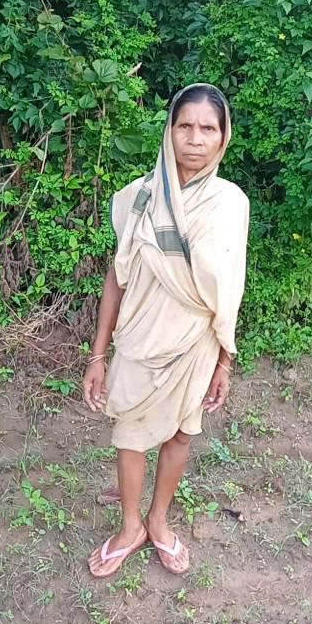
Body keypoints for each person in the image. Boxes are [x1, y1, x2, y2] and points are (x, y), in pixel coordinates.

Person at [82, 83, 250, 577]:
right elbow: (117, 275)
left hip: (195, 343)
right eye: (185, 126)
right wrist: (97, 355)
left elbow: (230, 287)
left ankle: (158, 520)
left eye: (208, 129)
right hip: (140, 338)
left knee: (180, 432)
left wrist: (224, 361)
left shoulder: (230, 203)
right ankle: (129, 526)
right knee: (130, 433)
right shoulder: (138, 197)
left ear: (223, 137)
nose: (195, 139)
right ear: (168, 130)